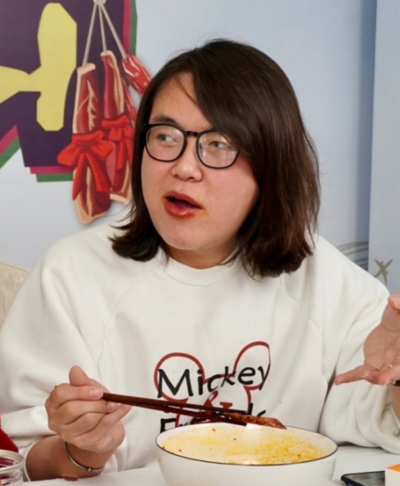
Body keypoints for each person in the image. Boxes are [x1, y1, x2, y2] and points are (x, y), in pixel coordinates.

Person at [1, 38, 400, 481]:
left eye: (218, 144)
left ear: (271, 165)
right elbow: (22, 462)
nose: (185, 167)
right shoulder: (71, 275)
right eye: (165, 137)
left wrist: (397, 380)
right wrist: (81, 448)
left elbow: (381, 425)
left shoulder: (319, 274)